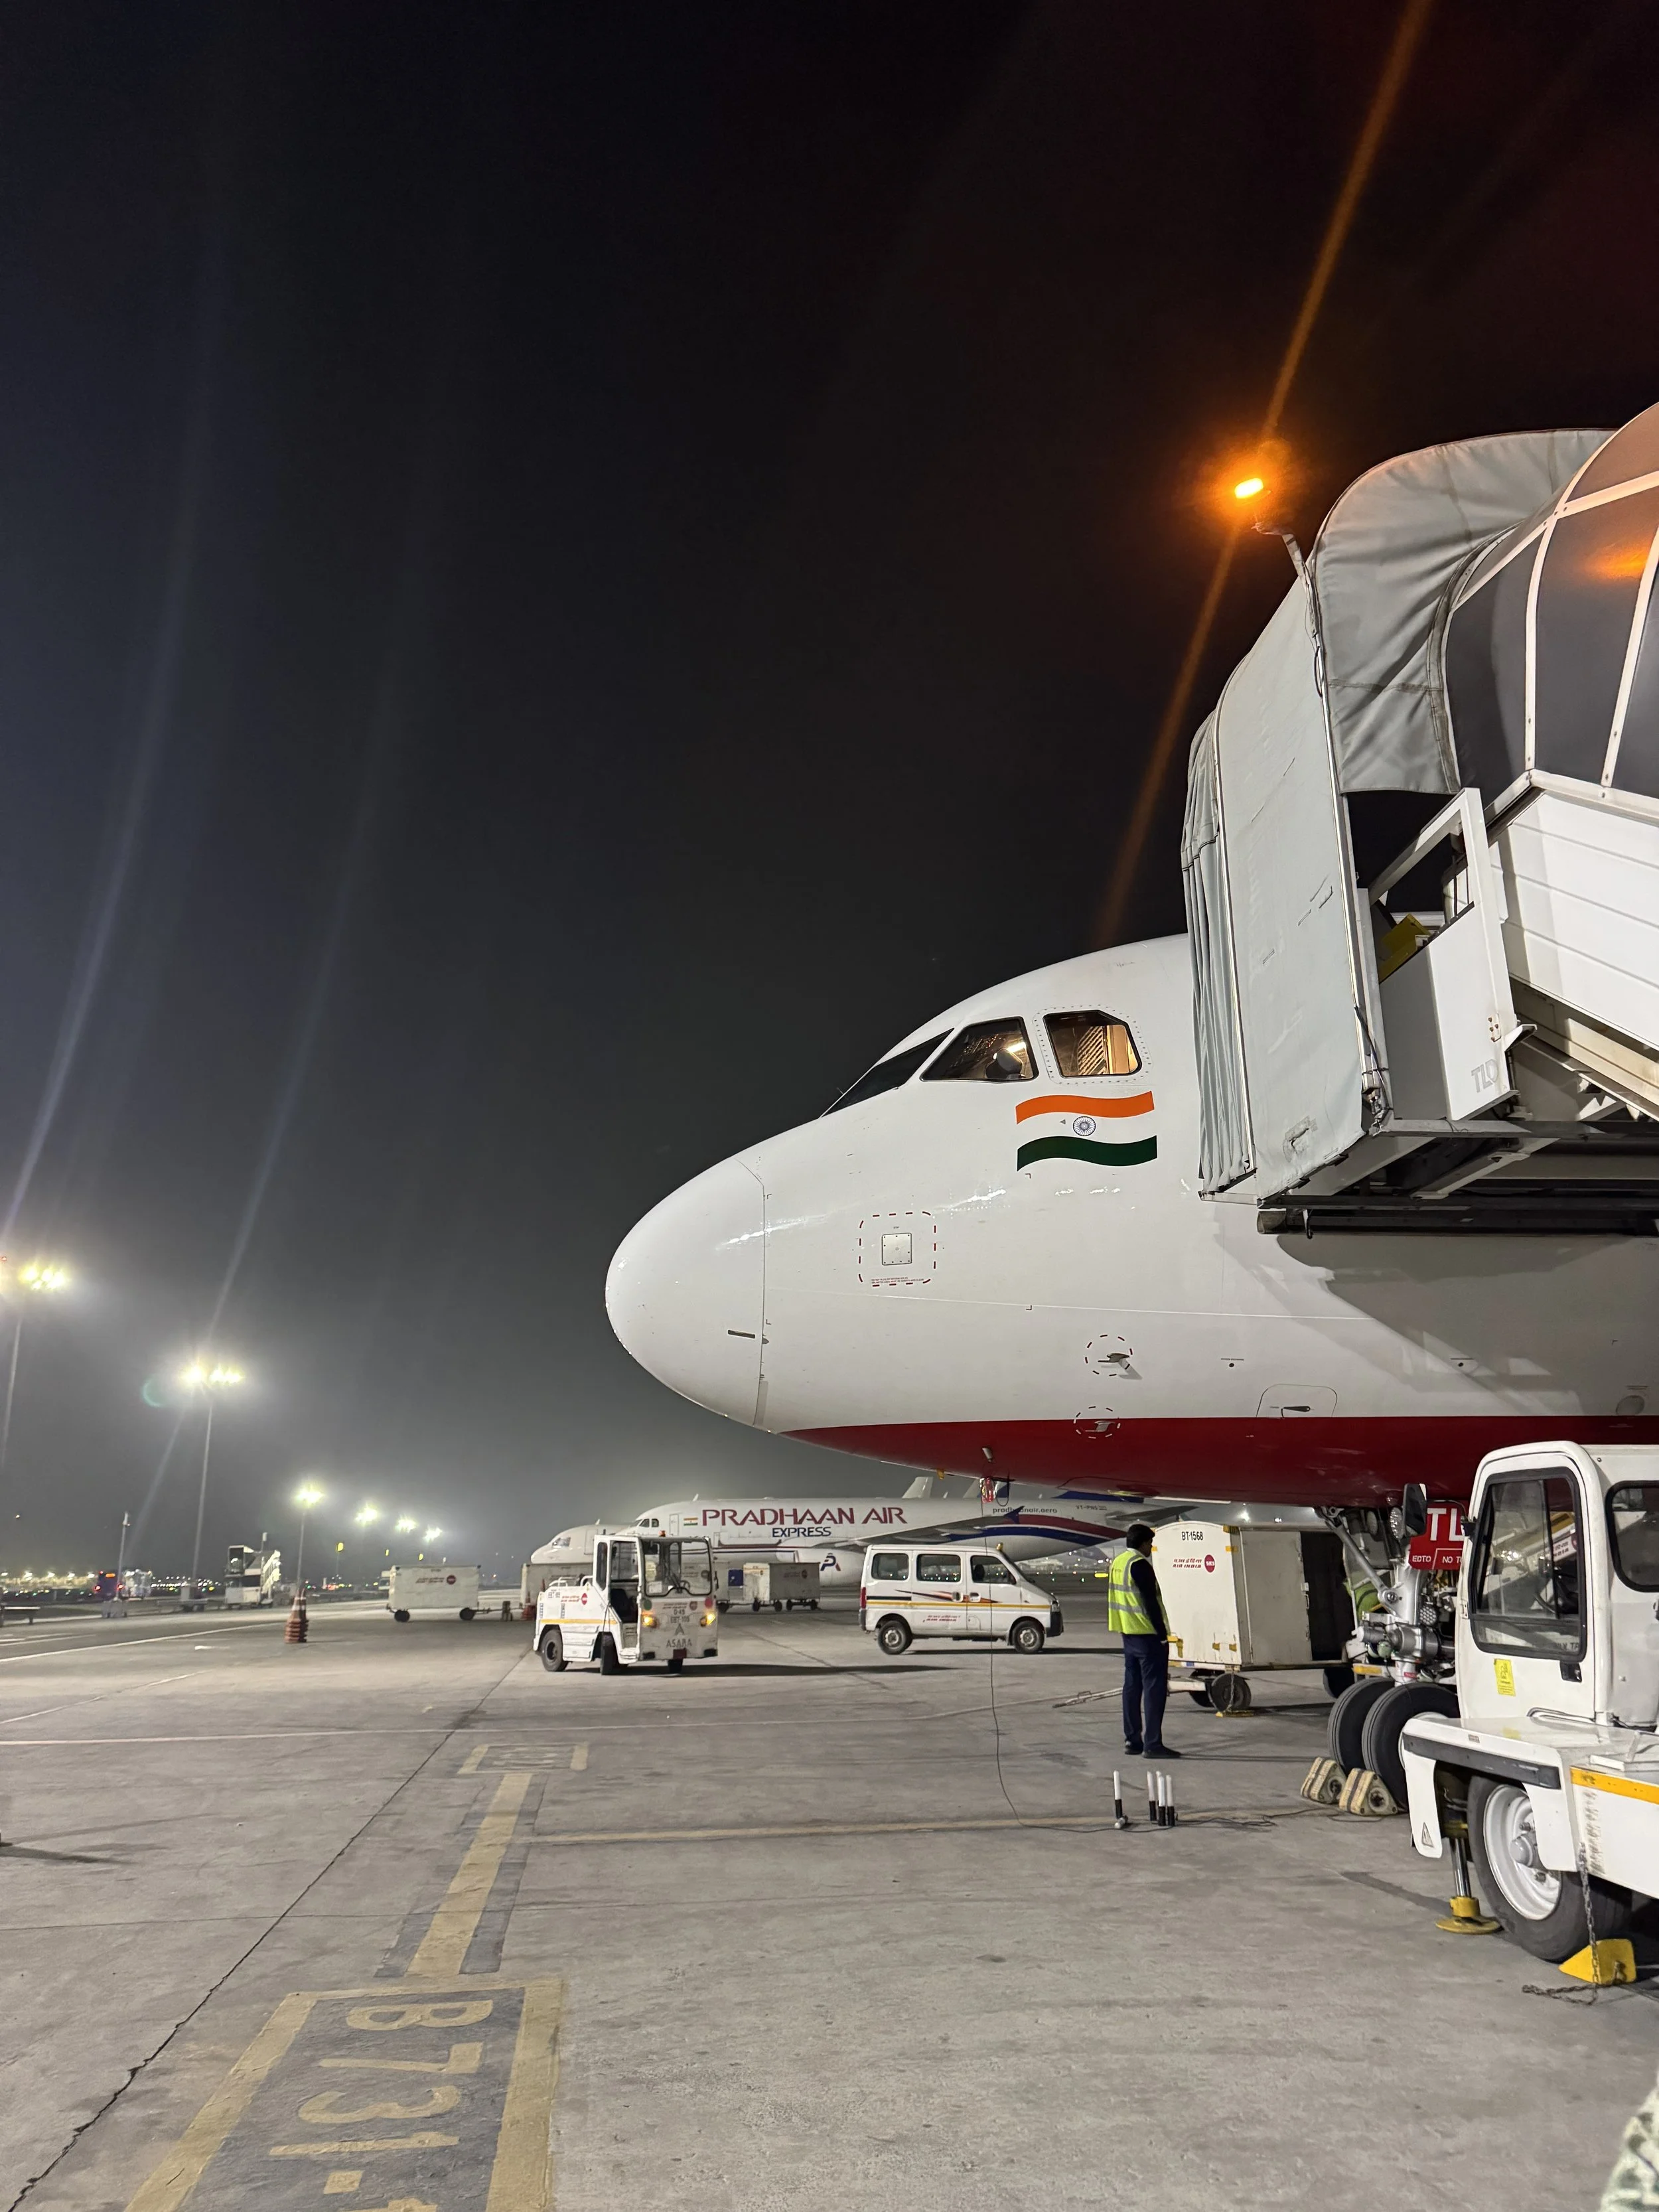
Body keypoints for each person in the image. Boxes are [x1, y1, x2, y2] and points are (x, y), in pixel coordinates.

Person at [1106, 1524, 1180, 1758]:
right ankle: (1153, 1744)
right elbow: (1150, 1603)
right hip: (1147, 1636)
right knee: (1154, 1690)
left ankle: (1132, 1740)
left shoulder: (1118, 1563)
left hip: (1128, 1634)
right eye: (1150, 1544)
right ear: (1143, 1543)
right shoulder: (1139, 1565)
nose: (1151, 1548)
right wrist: (1162, 1636)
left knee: (1131, 1687)